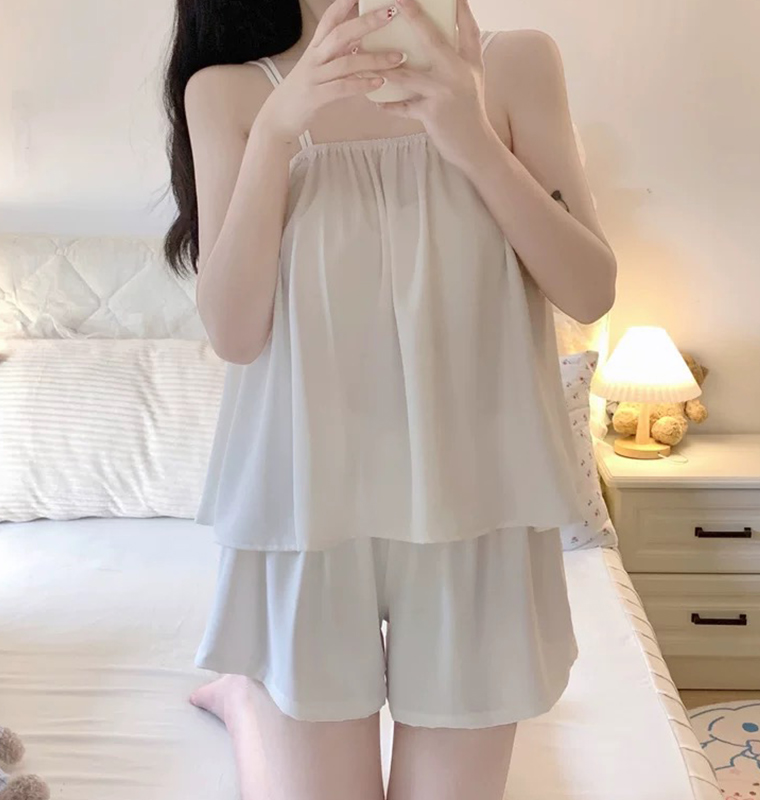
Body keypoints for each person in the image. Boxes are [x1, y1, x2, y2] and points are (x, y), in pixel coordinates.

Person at [163, 0, 617, 797]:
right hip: (306, 512)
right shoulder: (231, 93)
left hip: (477, 508)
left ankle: (245, 703)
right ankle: (244, 704)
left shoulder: (514, 65)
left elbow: (589, 290)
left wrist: (471, 138)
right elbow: (235, 334)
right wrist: (275, 133)